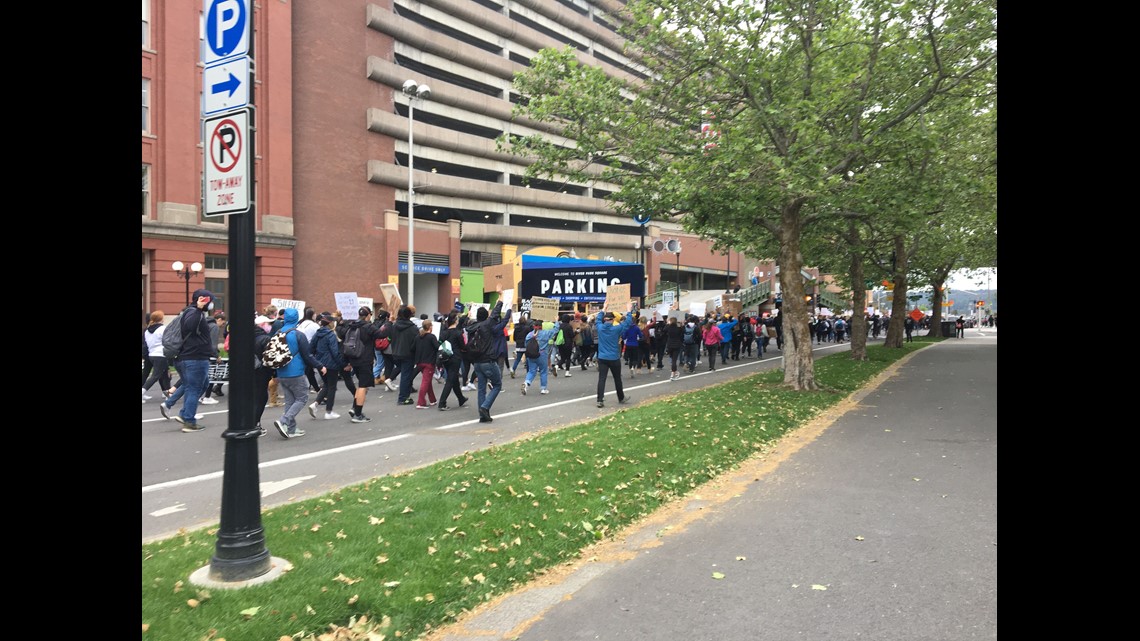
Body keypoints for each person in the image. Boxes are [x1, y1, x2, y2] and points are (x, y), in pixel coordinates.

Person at [158, 289, 215, 433]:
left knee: (201, 385)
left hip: (188, 358)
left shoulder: (190, 312)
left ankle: (184, 414)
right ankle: (189, 421)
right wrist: (199, 309)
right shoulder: (193, 313)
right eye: (211, 301)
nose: (212, 304)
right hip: (194, 358)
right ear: (202, 299)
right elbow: (190, 326)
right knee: (194, 389)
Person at [270, 307, 327, 439]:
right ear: (296, 318)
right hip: (296, 372)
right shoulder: (298, 334)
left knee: (290, 400)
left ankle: (291, 429)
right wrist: (320, 366)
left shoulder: (278, 332)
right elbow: (307, 355)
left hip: (281, 371)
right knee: (302, 398)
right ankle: (284, 420)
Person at [338, 306, 385, 422]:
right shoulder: (368, 327)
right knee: (363, 386)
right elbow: (381, 334)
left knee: (361, 386)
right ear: (368, 315)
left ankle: (355, 408)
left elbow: (343, 337)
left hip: (354, 358)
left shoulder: (352, 326)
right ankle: (357, 414)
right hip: (365, 359)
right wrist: (388, 323)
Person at [467, 298, 508, 423]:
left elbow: (465, 320)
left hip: (477, 362)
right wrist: (500, 300)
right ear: (486, 316)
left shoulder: (471, 326)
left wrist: (469, 312)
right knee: (497, 384)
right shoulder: (487, 325)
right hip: (488, 360)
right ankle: (485, 407)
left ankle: (482, 415)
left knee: (481, 389)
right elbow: (495, 313)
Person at [594, 306, 635, 408]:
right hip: (613, 357)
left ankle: (600, 399)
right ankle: (621, 397)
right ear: (612, 320)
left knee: (602, 379)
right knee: (617, 379)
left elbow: (598, 319)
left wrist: (603, 308)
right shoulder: (617, 329)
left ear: (605, 320)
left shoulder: (600, 328)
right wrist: (629, 311)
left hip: (602, 357)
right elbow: (627, 323)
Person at [308, 312, 346, 421]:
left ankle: (315, 404)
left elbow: (311, 349)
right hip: (331, 364)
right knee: (332, 387)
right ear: (330, 324)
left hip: (320, 364)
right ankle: (329, 411)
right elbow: (335, 352)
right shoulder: (331, 335)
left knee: (326, 385)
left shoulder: (317, 333)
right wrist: (342, 364)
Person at [388, 305, 420, 406]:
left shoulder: (394, 326)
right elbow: (416, 342)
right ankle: (403, 397)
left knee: (405, 374)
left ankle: (406, 395)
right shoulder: (413, 328)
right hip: (408, 354)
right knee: (406, 375)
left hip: (396, 352)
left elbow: (390, 338)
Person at [436, 311, 469, 411]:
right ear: (455, 320)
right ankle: (442, 403)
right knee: (450, 380)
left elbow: (439, 343)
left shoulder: (444, 332)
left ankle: (461, 398)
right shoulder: (458, 333)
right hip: (455, 357)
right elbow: (463, 346)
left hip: (446, 358)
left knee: (454, 379)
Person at [251, 314, 276, 435]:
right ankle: (255, 424)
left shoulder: (246, 336)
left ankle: (249, 422)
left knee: (252, 397)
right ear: (261, 325)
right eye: (268, 324)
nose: (270, 326)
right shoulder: (265, 339)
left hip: (249, 371)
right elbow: (269, 358)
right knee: (261, 398)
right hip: (261, 371)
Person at [522, 318, 557, 396]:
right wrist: (556, 321)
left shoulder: (530, 335)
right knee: (543, 371)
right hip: (542, 354)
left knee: (531, 371)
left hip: (531, 354)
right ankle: (543, 388)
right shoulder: (545, 333)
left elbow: (526, 344)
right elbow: (555, 330)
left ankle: (527, 383)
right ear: (542, 326)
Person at [142, 311, 171, 403]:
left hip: (152, 354)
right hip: (161, 354)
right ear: (161, 319)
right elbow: (167, 340)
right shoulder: (163, 328)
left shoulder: (147, 330)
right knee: (155, 376)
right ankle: (142, 391)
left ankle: (168, 393)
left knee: (165, 374)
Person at [414, 319, 440, 408]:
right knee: (425, 382)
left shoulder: (418, 337)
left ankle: (432, 399)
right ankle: (420, 402)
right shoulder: (432, 337)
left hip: (419, 362)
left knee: (427, 381)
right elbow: (437, 347)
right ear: (429, 327)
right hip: (429, 362)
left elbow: (413, 348)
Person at [297, 306, 322, 393]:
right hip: (310, 349)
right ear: (312, 315)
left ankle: (316, 388)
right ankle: (318, 389)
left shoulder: (300, 324)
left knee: (308, 370)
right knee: (316, 368)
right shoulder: (314, 325)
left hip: (300, 348)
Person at [663, 315, 685, 381]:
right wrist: (682, 324)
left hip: (670, 344)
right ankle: (673, 373)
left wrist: (667, 323)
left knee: (672, 359)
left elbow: (664, 330)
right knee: (674, 360)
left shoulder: (668, 328)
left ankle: (674, 372)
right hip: (677, 345)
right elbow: (683, 332)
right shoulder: (678, 328)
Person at [509, 313, 530, 379]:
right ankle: (528, 373)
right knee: (528, 359)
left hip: (518, 345)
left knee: (517, 359)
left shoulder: (516, 328)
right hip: (525, 345)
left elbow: (514, 337)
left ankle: (513, 370)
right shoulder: (527, 328)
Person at [556, 313, 575, 378]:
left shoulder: (559, 326)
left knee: (563, 358)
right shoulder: (569, 326)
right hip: (568, 343)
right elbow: (572, 335)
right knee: (568, 358)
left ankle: (556, 366)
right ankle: (567, 372)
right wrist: (576, 332)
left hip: (560, 343)